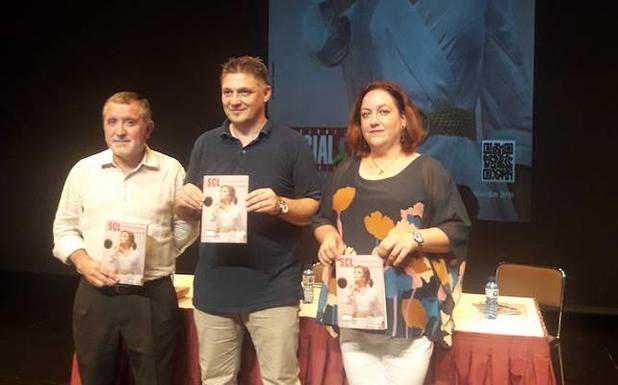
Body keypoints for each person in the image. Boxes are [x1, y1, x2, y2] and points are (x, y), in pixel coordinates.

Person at [302, 0, 533, 221]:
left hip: (461, 170)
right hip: (380, 166)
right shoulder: (364, 4)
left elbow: (506, 104)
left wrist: (503, 189)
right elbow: (324, 49)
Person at [174, 56, 321, 385]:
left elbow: (312, 207)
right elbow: (189, 211)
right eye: (227, 92)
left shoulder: (292, 144)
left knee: (281, 381)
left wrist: (281, 204)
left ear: (266, 93)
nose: (234, 100)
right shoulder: (206, 143)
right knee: (216, 381)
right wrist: (183, 202)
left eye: (244, 92)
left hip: (273, 289)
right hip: (214, 287)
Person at [314, 81, 470, 385]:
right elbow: (322, 219)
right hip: (356, 310)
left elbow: (457, 229)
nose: (373, 120)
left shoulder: (429, 171)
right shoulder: (344, 170)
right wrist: (328, 238)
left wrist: (415, 237)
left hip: (408, 312)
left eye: (384, 112)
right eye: (366, 114)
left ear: (403, 119)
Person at [52, 91, 197, 385]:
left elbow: (185, 227)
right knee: (93, 377)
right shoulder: (84, 171)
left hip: (152, 294)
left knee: (156, 379)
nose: (119, 131)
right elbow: (64, 228)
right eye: (111, 122)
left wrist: (161, 252)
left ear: (148, 128)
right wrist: (83, 261)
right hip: (96, 294)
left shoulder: (170, 170)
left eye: (129, 122)